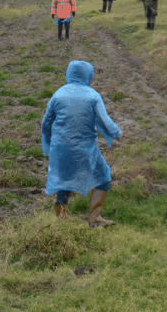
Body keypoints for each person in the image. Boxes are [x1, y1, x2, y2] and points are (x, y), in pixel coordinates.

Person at [41, 60, 123, 228]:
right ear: (88, 75)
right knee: (103, 175)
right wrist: (117, 133)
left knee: (64, 179)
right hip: (84, 148)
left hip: (61, 148)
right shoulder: (92, 95)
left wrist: (49, 145)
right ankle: (95, 218)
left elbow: (46, 123)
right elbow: (105, 121)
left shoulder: (58, 94)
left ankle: (61, 220)